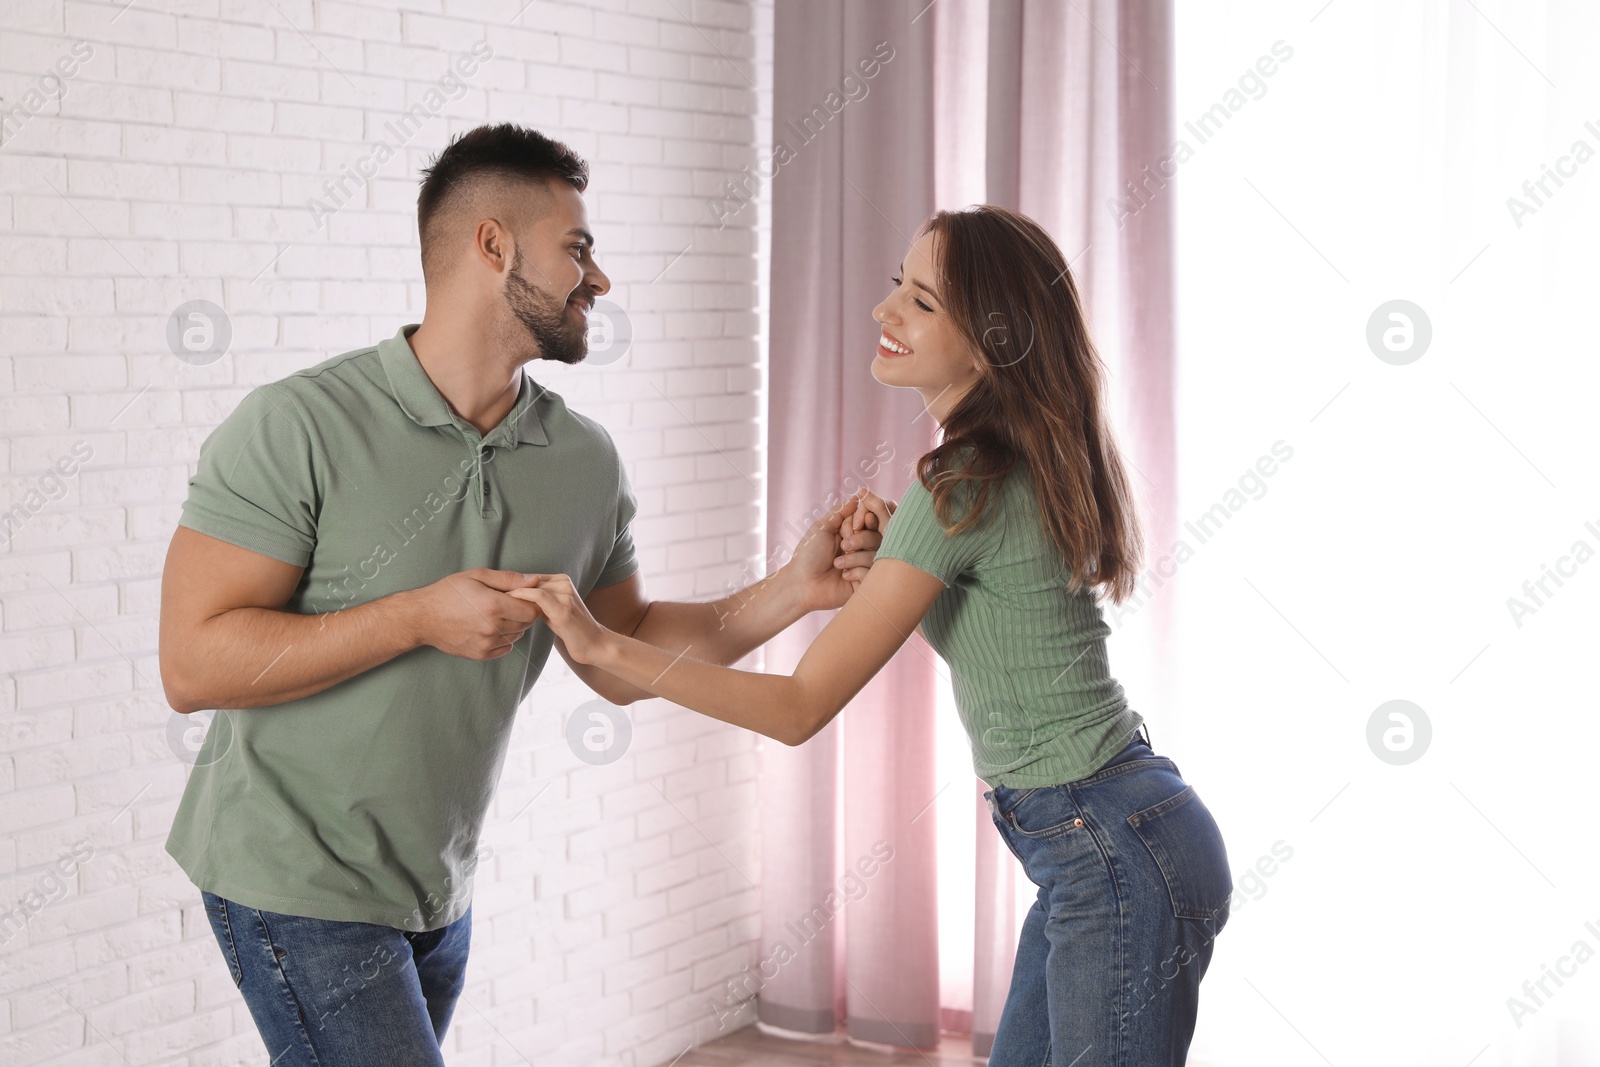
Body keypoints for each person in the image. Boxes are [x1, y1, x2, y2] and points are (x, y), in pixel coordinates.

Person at [156, 123, 888, 1066]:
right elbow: (192, 662)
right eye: (577, 248)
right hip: (291, 881)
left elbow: (622, 654)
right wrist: (418, 615)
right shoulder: (297, 424)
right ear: (492, 245)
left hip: (436, 891)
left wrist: (793, 589)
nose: (600, 277)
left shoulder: (581, 459)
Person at [515, 205, 1234, 1065]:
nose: (884, 310)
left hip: (1110, 849)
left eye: (922, 301)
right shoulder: (997, 467)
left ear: (989, 342)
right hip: (1119, 833)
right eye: (900, 284)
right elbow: (1006, 624)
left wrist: (604, 647)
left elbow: (797, 706)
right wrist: (900, 552)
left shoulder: (959, 484)